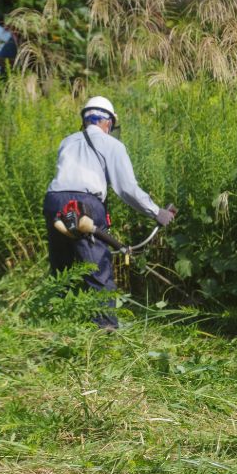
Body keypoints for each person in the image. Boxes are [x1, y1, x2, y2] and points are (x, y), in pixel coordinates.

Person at [43, 96, 175, 330]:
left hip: (54, 201)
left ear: (85, 120)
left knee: (61, 268)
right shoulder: (112, 145)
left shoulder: (67, 141)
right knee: (96, 270)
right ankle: (105, 333)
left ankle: (56, 325)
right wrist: (157, 212)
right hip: (85, 204)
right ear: (107, 122)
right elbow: (126, 188)